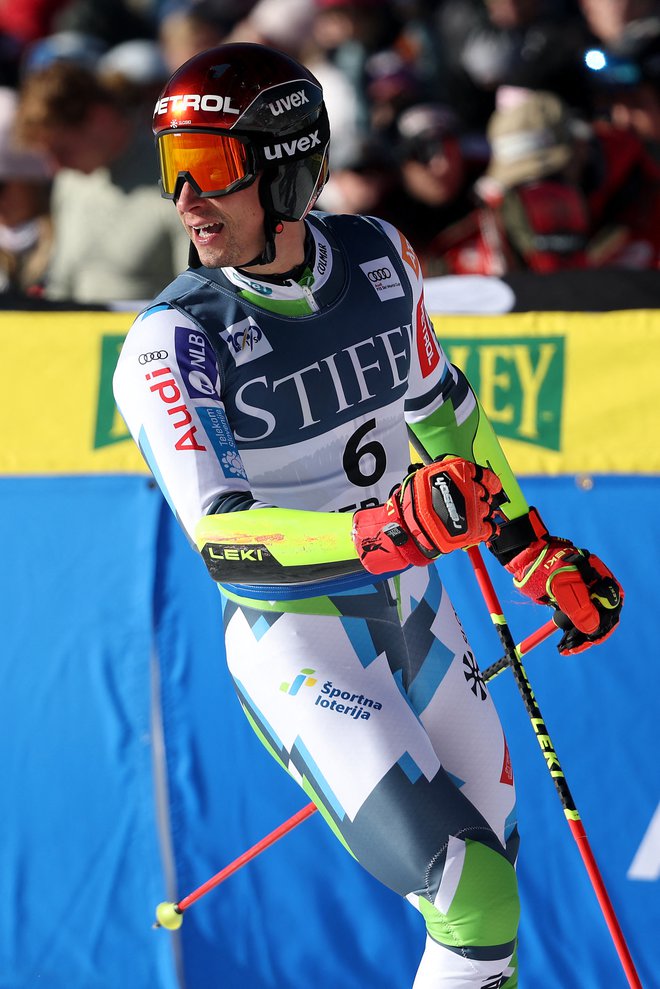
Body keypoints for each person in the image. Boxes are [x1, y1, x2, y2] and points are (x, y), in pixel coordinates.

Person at [113, 43, 623, 988]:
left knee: (492, 879)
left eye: (212, 169)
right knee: (472, 893)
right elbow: (225, 539)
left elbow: (444, 413)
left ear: (290, 169)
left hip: (416, 606)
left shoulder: (381, 256)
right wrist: (380, 527)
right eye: (170, 167)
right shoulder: (173, 342)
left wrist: (532, 551)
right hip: (299, 639)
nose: (185, 199)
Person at [16, 59, 190, 304]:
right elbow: (62, 283)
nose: (54, 168)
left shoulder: (175, 178)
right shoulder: (69, 182)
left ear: (99, 118)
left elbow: (194, 296)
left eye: (62, 150)